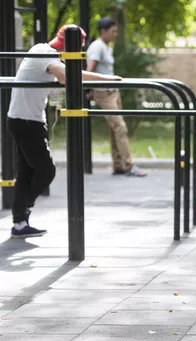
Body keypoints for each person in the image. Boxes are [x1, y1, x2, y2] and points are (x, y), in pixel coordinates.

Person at [8, 24, 122, 239]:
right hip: (27, 122)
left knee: (26, 173)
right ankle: (24, 208)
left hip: (22, 119)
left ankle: (20, 223)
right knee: (46, 171)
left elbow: (63, 79)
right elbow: (66, 77)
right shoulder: (46, 53)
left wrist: (101, 78)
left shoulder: (42, 52)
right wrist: (105, 79)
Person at [86, 17, 146, 177]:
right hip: (104, 93)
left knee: (114, 129)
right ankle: (129, 165)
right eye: (113, 31)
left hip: (113, 91)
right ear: (103, 31)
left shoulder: (106, 47)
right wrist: (89, 90)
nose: (115, 34)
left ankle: (118, 165)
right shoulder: (97, 47)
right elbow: (90, 70)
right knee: (120, 127)